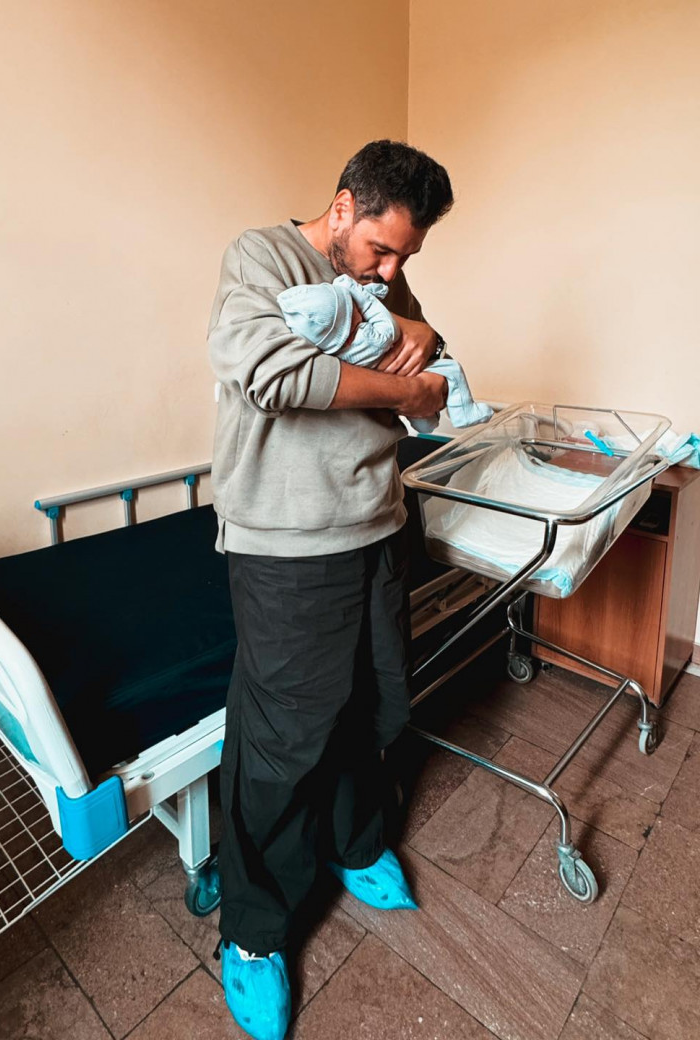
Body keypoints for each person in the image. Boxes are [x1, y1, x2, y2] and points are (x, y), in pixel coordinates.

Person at [208, 139, 454, 1040]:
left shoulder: (385, 282)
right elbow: (272, 373)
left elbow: (421, 357)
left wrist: (426, 340)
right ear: (344, 206)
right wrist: (408, 387)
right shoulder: (261, 258)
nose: (390, 272)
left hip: (378, 524)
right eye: (382, 250)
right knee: (284, 740)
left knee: (375, 704)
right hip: (288, 544)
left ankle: (356, 842)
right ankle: (255, 931)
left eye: (405, 258)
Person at [277, 273, 494, 432]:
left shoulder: (331, 346)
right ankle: (464, 413)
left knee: (426, 410)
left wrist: (429, 336)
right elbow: (387, 325)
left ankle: (426, 422)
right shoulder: (369, 340)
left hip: (388, 455)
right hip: (410, 378)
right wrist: (359, 295)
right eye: (353, 310)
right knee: (452, 369)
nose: (389, 272)